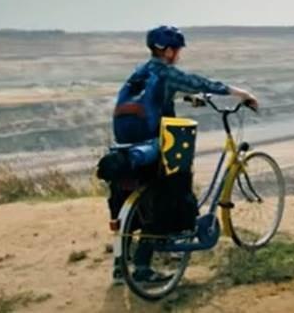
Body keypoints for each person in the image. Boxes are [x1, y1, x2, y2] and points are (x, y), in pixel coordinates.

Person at [108, 25, 259, 285]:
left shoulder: (140, 72)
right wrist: (241, 93)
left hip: (127, 145)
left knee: (136, 198)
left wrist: (192, 99)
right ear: (166, 51)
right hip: (155, 141)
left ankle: (121, 265)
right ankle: (143, 267)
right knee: (168, 194)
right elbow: (199, 82)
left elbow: (164, 96)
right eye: (176, 49)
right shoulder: (165, 72)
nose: (178, 54)